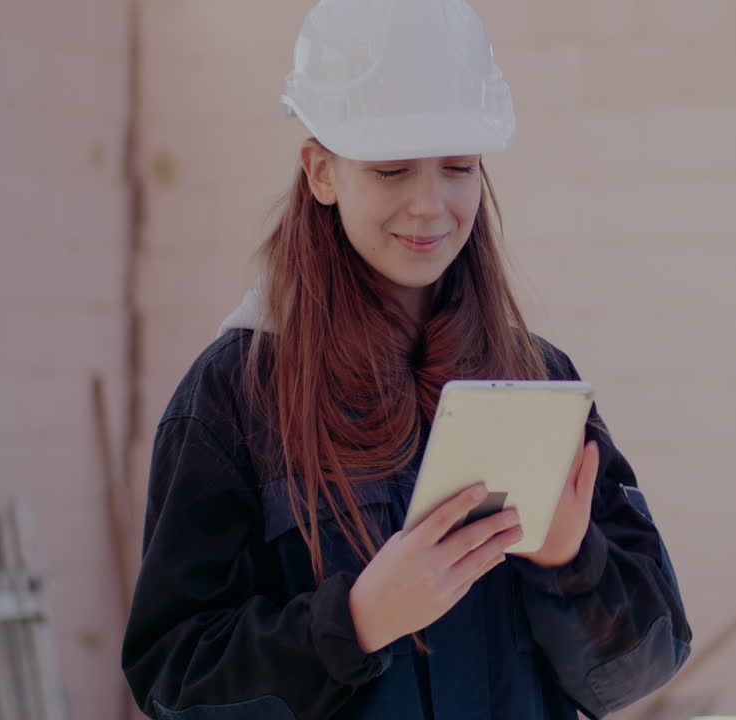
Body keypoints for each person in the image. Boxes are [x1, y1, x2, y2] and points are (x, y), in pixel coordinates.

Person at [120, 1, 691, 718]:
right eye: (392, 170)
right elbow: (174, 681)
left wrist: (570, 558)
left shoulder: (536, 379)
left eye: (457, 166)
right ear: (321, 171)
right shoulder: (234, 398)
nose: (430, 205)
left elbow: (645, 661)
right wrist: (356, 623)